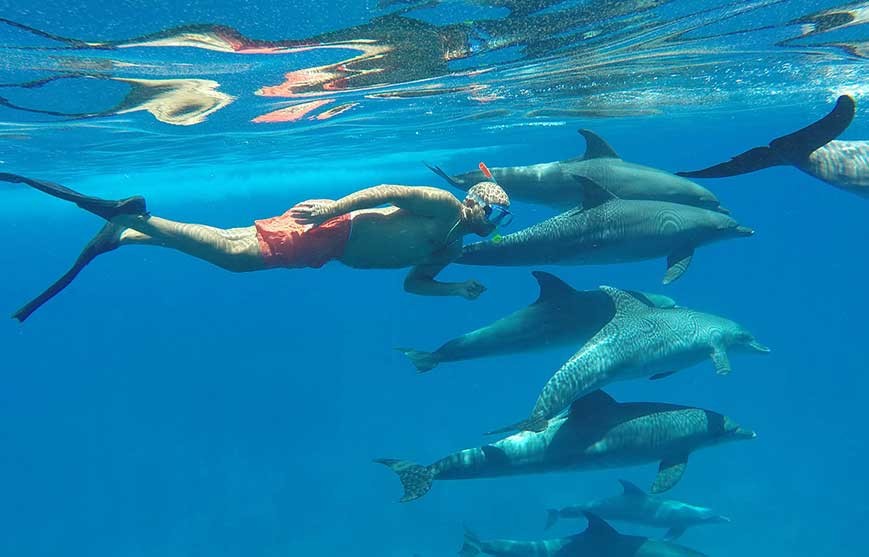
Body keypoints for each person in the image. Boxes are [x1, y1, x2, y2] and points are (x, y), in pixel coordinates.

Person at [0, 170, 512, 322]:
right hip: (332, 228)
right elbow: (386, 192)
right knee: (236, 257)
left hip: (327, 249)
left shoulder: (449, 251)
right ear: (477, 202)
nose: (498, 220)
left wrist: (454, 290)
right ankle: (139, 219)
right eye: (496, 209)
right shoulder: (444, 206)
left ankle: (129, 233)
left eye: (503, 215)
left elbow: (413, 284)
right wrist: (333, 209)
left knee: (235, 246)